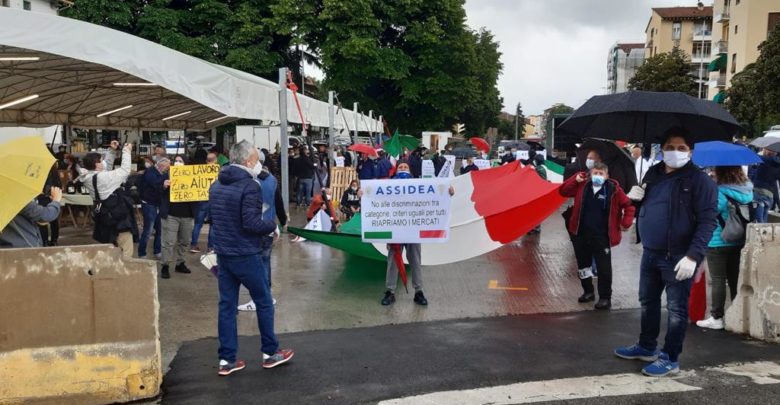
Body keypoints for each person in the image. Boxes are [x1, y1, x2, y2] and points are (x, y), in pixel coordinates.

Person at [615, 128, 717, 377]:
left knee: (676, 310)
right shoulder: (654, 172)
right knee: (648, 302)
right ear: (662, 149)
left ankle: (670, 357)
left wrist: (693, 256)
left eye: (681, 148)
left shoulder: (699, 181)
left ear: (690, 151)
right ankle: (646, 346)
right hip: (651, 252)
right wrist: (635, 199)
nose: (675, 152)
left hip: (679, 256)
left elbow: (707, 221)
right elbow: (647, 205)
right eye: (670, 147)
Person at [209, 140, 293, 375]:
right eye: (256, 160)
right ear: (248, 162)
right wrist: (272, 226)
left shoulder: (216, 185)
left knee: (227, 306)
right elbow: (251, 222)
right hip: (246, 253)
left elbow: (214, 219)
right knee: (264, 301)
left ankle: (226, 360)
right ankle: (270, 352)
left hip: (224, 254)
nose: (258, 164)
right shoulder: (250, 186)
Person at [559, 162, 635, 309]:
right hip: (580, 233)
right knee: (583, 266)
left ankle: (605, 297)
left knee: (604, 268)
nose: (598, 176)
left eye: (601, 174)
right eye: (595, 173)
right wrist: (575, 178)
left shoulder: (614, 190)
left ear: (607, 176)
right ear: (590, 174)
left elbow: (629, 206)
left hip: (602, 236)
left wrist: (626, 222)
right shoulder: (583, 185)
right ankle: (588, 291)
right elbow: (563, 191)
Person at [380, 162, 454, 306]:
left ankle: (418, 292)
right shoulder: (386, 185)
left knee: (415, 260)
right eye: (400, 167)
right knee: (393, 261)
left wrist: (448, 191)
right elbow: (375, 199)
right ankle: (390, 291)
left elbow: (433, 198)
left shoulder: (419, 185)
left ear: (410, 170)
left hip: (413, 230)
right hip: (396, 230)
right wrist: (362, 194)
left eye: (405, 167)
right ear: (396, 171)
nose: (402, 169)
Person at [696, 166, 753, 330]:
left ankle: (717, 317)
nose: (713, 173)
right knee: (735, 278)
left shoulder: (720, 191)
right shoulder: (747, 190)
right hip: (738, 239)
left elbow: (709, 213)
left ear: (722, 172)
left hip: (718, 240)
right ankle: (737, 314)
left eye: (715, 171)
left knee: (718, 279)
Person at [237, 151, 289, 311]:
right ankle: (266, 296)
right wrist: (283, 221)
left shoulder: (250, 180)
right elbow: (278, 202)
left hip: (255, 228)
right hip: (269, 227)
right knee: (265, 263)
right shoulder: (272, 179)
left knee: (256, 265)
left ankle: (258, 299)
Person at [78, 141, 136, 258]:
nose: (103, 162)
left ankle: (111, 270)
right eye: (100, 160)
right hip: (117, 217)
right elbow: (125, 171)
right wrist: (126, 151)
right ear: (96, 164)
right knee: (125, 246)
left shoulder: (88, 176)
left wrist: (112, 151)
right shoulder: (103, 178)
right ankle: (123, 271)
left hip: (105, 216)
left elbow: (107, 166)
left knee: (111, 246)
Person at [159, 156, 194, 279]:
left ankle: (180, 263)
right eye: (176, 161)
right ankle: (165, 265)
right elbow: (157, 190)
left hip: (187, 215)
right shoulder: (167, 175)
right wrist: (164, 185)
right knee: (168, 242)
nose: (178, 163)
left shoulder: (192, 176)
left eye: (181, 161)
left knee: (185, 241)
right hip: (171, 214)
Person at [138, 158, 169, 259]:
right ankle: (142, 253)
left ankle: (157, 251)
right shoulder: (150, 172)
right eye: (167, 167)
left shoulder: (160, 172)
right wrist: (164, 183)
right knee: (148, 230)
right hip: (149, 204)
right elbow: (156, 184)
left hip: (158, 204)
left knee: (160, 229)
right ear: (162, 166)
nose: (168, 169)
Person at [190, 153, 219, 253]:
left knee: (198, 224)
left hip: (201, 200)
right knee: (213, 225)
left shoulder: (200, 171)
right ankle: (211, 247)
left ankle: (193, 245)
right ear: (215, 160)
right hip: (214, 201)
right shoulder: (219, 171)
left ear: (207, 161)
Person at [749, 148, 780, 223]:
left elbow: (755, 157)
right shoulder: (776, 163)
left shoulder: (767, 160)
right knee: (764, 218)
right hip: (770, 193)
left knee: (758, 219)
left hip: (760, 191)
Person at [37, 164, 63, 247]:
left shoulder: (40, 171)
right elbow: (59, 185)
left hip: (43, 197)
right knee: (54, 220)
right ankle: (54, 240)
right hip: (54, 196)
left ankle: (44, 241)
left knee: (42, 221)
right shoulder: (55, 172)